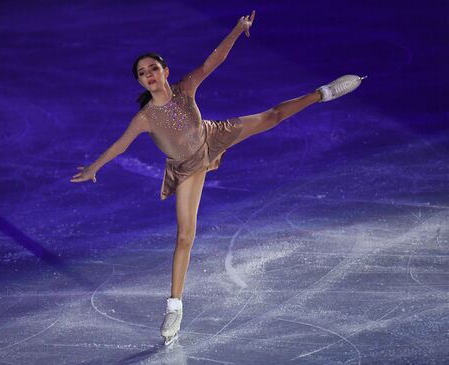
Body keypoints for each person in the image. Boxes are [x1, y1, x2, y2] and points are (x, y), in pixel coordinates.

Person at [70, 10, 365, 345]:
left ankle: (322, 93)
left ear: (165, 72)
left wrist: (238, 29)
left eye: (154, 68)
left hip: (214, 136)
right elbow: (121, 145)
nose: (149, 74)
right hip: (187, 167)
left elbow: (214, 61)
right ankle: (175, 307)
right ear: (140, 82)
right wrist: (95, 167)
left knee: (273, 116)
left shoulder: (185, 88)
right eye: (143, 73)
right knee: (185, 236)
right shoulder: (145, 118)